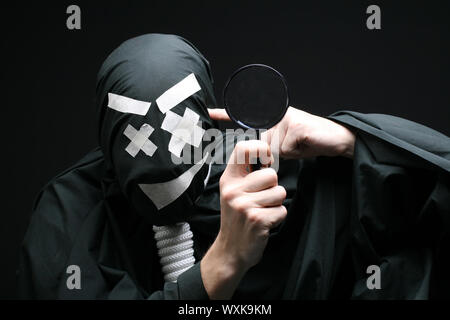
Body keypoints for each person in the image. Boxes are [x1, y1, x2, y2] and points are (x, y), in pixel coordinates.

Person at [17, 34, 450, 300]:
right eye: (137, 130)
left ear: (207, 117)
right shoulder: (68, 211)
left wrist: (348, 140)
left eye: (178, 123)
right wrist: (219, 267)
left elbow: (433, 199)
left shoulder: (270, 168)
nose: (161, 147)